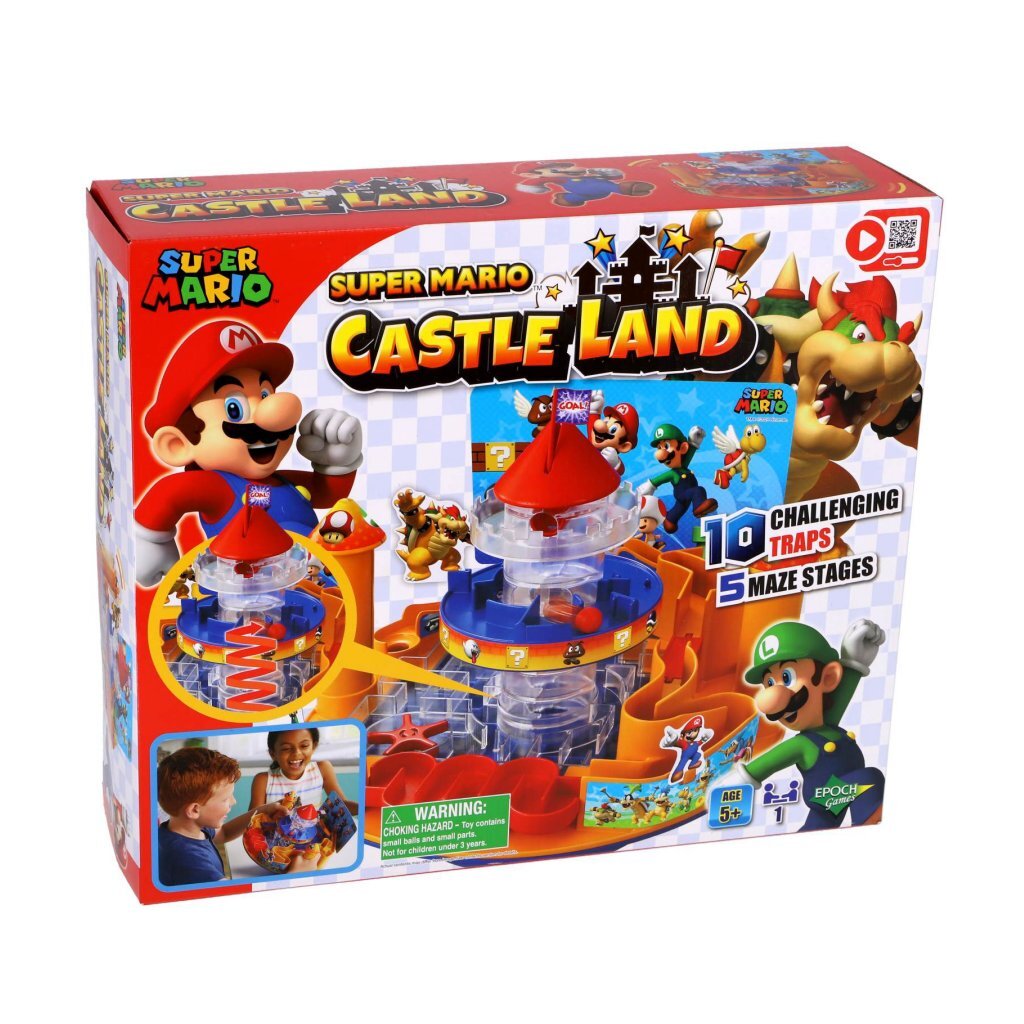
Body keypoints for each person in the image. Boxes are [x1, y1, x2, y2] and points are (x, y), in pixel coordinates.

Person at [157, 746, 288, 887]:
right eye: (225, 799)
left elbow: (224, 833)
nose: (233, 801)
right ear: (195, 810)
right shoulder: (190, 862)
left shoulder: (189, 828)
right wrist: (294, 874)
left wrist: (264, 810)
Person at [251, 728, 358, 817]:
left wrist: (363, 808)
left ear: (313, 746)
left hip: (314, 835)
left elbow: (342, 806)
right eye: (286, 748)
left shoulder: (322, 769)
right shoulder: (263, 780)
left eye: (304, 746)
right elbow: (251, 821)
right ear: (273, 753)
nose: (296, 753)